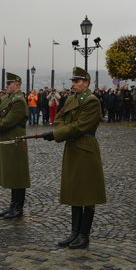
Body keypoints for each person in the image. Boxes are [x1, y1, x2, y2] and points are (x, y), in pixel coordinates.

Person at [42, 67, 106, 249]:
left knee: (87, 193)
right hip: (72, 148)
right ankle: (74, 232)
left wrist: (57, 134)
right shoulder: (71, 99)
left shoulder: (92, 101)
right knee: (75, 191)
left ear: (86, 83)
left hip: (86, 150)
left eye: (77, 81)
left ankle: (84, 235)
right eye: (73, 81)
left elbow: (80, 126)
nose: (73, 84)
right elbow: (59, 118)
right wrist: (62, 129)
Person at [0, 73, 29, 219]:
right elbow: (1, 115)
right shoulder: (9, 98)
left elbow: (8, 121)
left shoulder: (18, 101)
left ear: (17, 85)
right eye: (6, 84)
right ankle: (13, 205)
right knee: (12, 173)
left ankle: (18, 207)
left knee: (18, 174)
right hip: (8, 137)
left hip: (15, 139)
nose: (6, 86)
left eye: (9, 84)